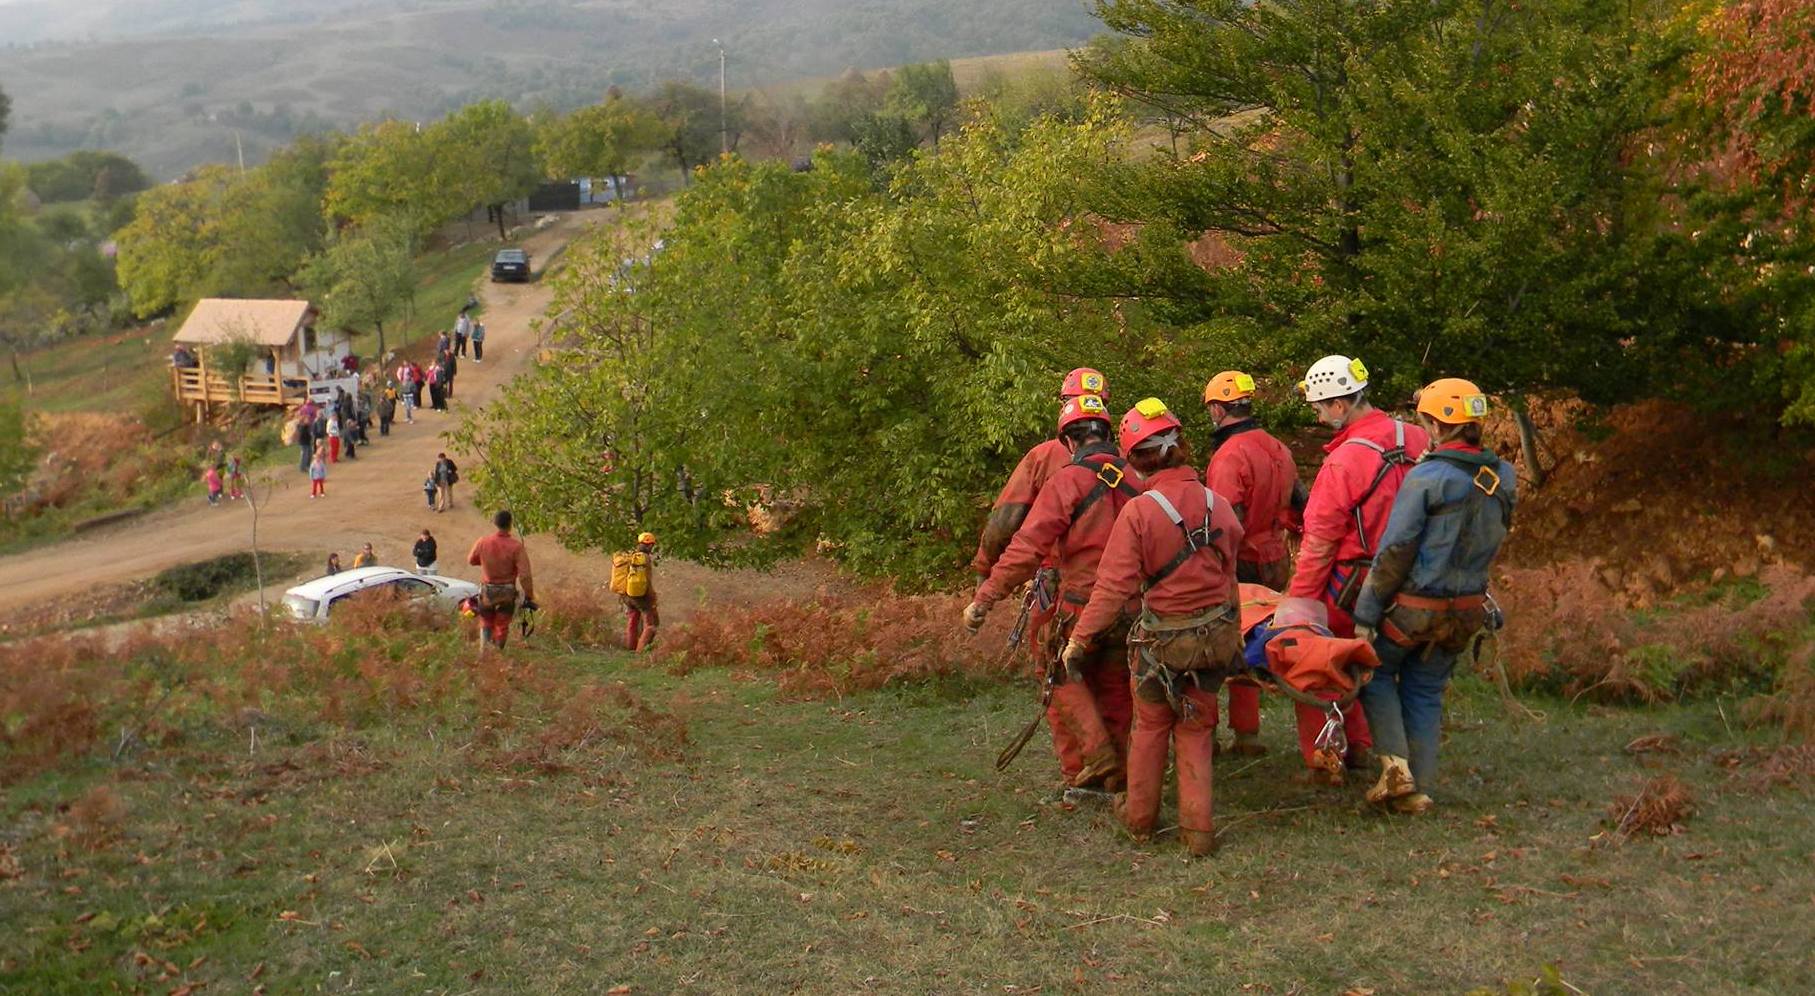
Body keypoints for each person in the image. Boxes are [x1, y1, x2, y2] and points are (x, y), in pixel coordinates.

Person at [1065, 398, 1244, 856]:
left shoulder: (1140, 512)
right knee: (1197, 727)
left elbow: (1111, 588)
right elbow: (1229, 577)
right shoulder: (1219, 504)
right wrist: (1236, 634)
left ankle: (1140, 821)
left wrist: (1079, 639)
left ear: (1135, 458)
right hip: (1214, 638)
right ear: (1180, 445)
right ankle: (1198, 833)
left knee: (1149, 727)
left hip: (1162, 643)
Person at [1352, 379, 1515, 815]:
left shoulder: (1426, 477)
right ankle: (1417, 789)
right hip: (1466, 610)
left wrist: (1365, 614)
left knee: (1374, 672)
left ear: (1439, 425)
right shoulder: (1503, 476)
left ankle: (1395, 768)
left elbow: (1395, 551)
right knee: (1425, 689)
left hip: (1414, 609)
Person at [964, 394, 1143, 790]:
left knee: (1057, 673)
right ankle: (1120, 776)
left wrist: (985, 594)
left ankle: (1094, 761)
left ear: (1068, 440)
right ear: (1108, 432)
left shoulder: (1065, 479)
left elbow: (1025, 545)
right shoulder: (1138, 478)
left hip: (1078, 607)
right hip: (1130, 608)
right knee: (1116, 687)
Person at [1286, 355, 1430, 784]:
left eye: (1319, 408)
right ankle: (1373, 748)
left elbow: (1320, 542)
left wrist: (1300, 605)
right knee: (1387, 671)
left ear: (1339, 404)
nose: (1318, 417)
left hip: (1354, 582)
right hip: (1418, 579)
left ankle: (1326, 759)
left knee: (1314, 664)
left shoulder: (1346, 460)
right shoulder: (1419, 438)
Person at [1202, 370, 1307, 757]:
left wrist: (1209, 569)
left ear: (1218, 409)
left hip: (1240, 562)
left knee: (1214, 647)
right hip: (1274, 560)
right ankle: (1247, 734)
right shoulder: (1278, 448)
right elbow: (1302, 502)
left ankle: (1205, 735)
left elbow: (1227, 521)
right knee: (1251, 644)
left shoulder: (1230, 455)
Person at [467, 509, 536, 651]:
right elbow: (525, 575)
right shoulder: (516, 547)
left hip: (487, 591)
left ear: (495, 523)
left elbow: (471, 560)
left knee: (486, 621)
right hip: (507, 592)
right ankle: (497, 654)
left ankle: (484, 653)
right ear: (510, 524)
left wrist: (486, 562)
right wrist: (529, 595)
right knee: (502, 624)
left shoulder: (483, 542)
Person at [620, 532, 660, 651]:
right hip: (642, 597)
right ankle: (640, 651)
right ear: (650, 545)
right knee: (650, 624)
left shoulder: (632, 556)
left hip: (628, 595)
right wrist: (652, 596)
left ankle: (630, 647)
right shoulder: (645, 558)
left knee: (632, 621)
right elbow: (647, 580)